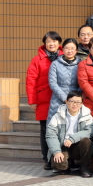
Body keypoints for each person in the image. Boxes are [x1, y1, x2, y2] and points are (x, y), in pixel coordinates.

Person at [27, 31, 61, 167]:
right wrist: (32, 100)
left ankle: (60, 158)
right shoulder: (37, 59)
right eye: (48, 41)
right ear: (44, 44)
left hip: (61, 99)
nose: (51, 44)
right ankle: (47, 159)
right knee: (45, 130)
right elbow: (31, 80)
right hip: (43, 99)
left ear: (59, 43)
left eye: (54, 41)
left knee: (61, 129)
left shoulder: (65, 56)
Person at [45, 91, 93, 177]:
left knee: (86, 141)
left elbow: (89, 131)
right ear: (67, 102)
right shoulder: (58, 116)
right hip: (63, 145)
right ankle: (68, 165)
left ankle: (84, 167)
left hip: (78, 145)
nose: (75, 104)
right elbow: (50, 134)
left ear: (81, 103)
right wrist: (56, 151)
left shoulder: (87, 115)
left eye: (78, 102)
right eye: (72, 101)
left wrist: (72, 139)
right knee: (59, 165)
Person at [47, 38, 80, 122]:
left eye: (72, 48)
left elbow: (83, 82)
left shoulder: (81, 64)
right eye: (67, 48)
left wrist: (74, 98)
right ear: (62, 49)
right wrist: (65, 98)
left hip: (76, 100)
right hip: (58, 99)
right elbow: (52, 83)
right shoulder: (55, 64)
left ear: (76, 50)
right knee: (56, 124)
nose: (69, 51)